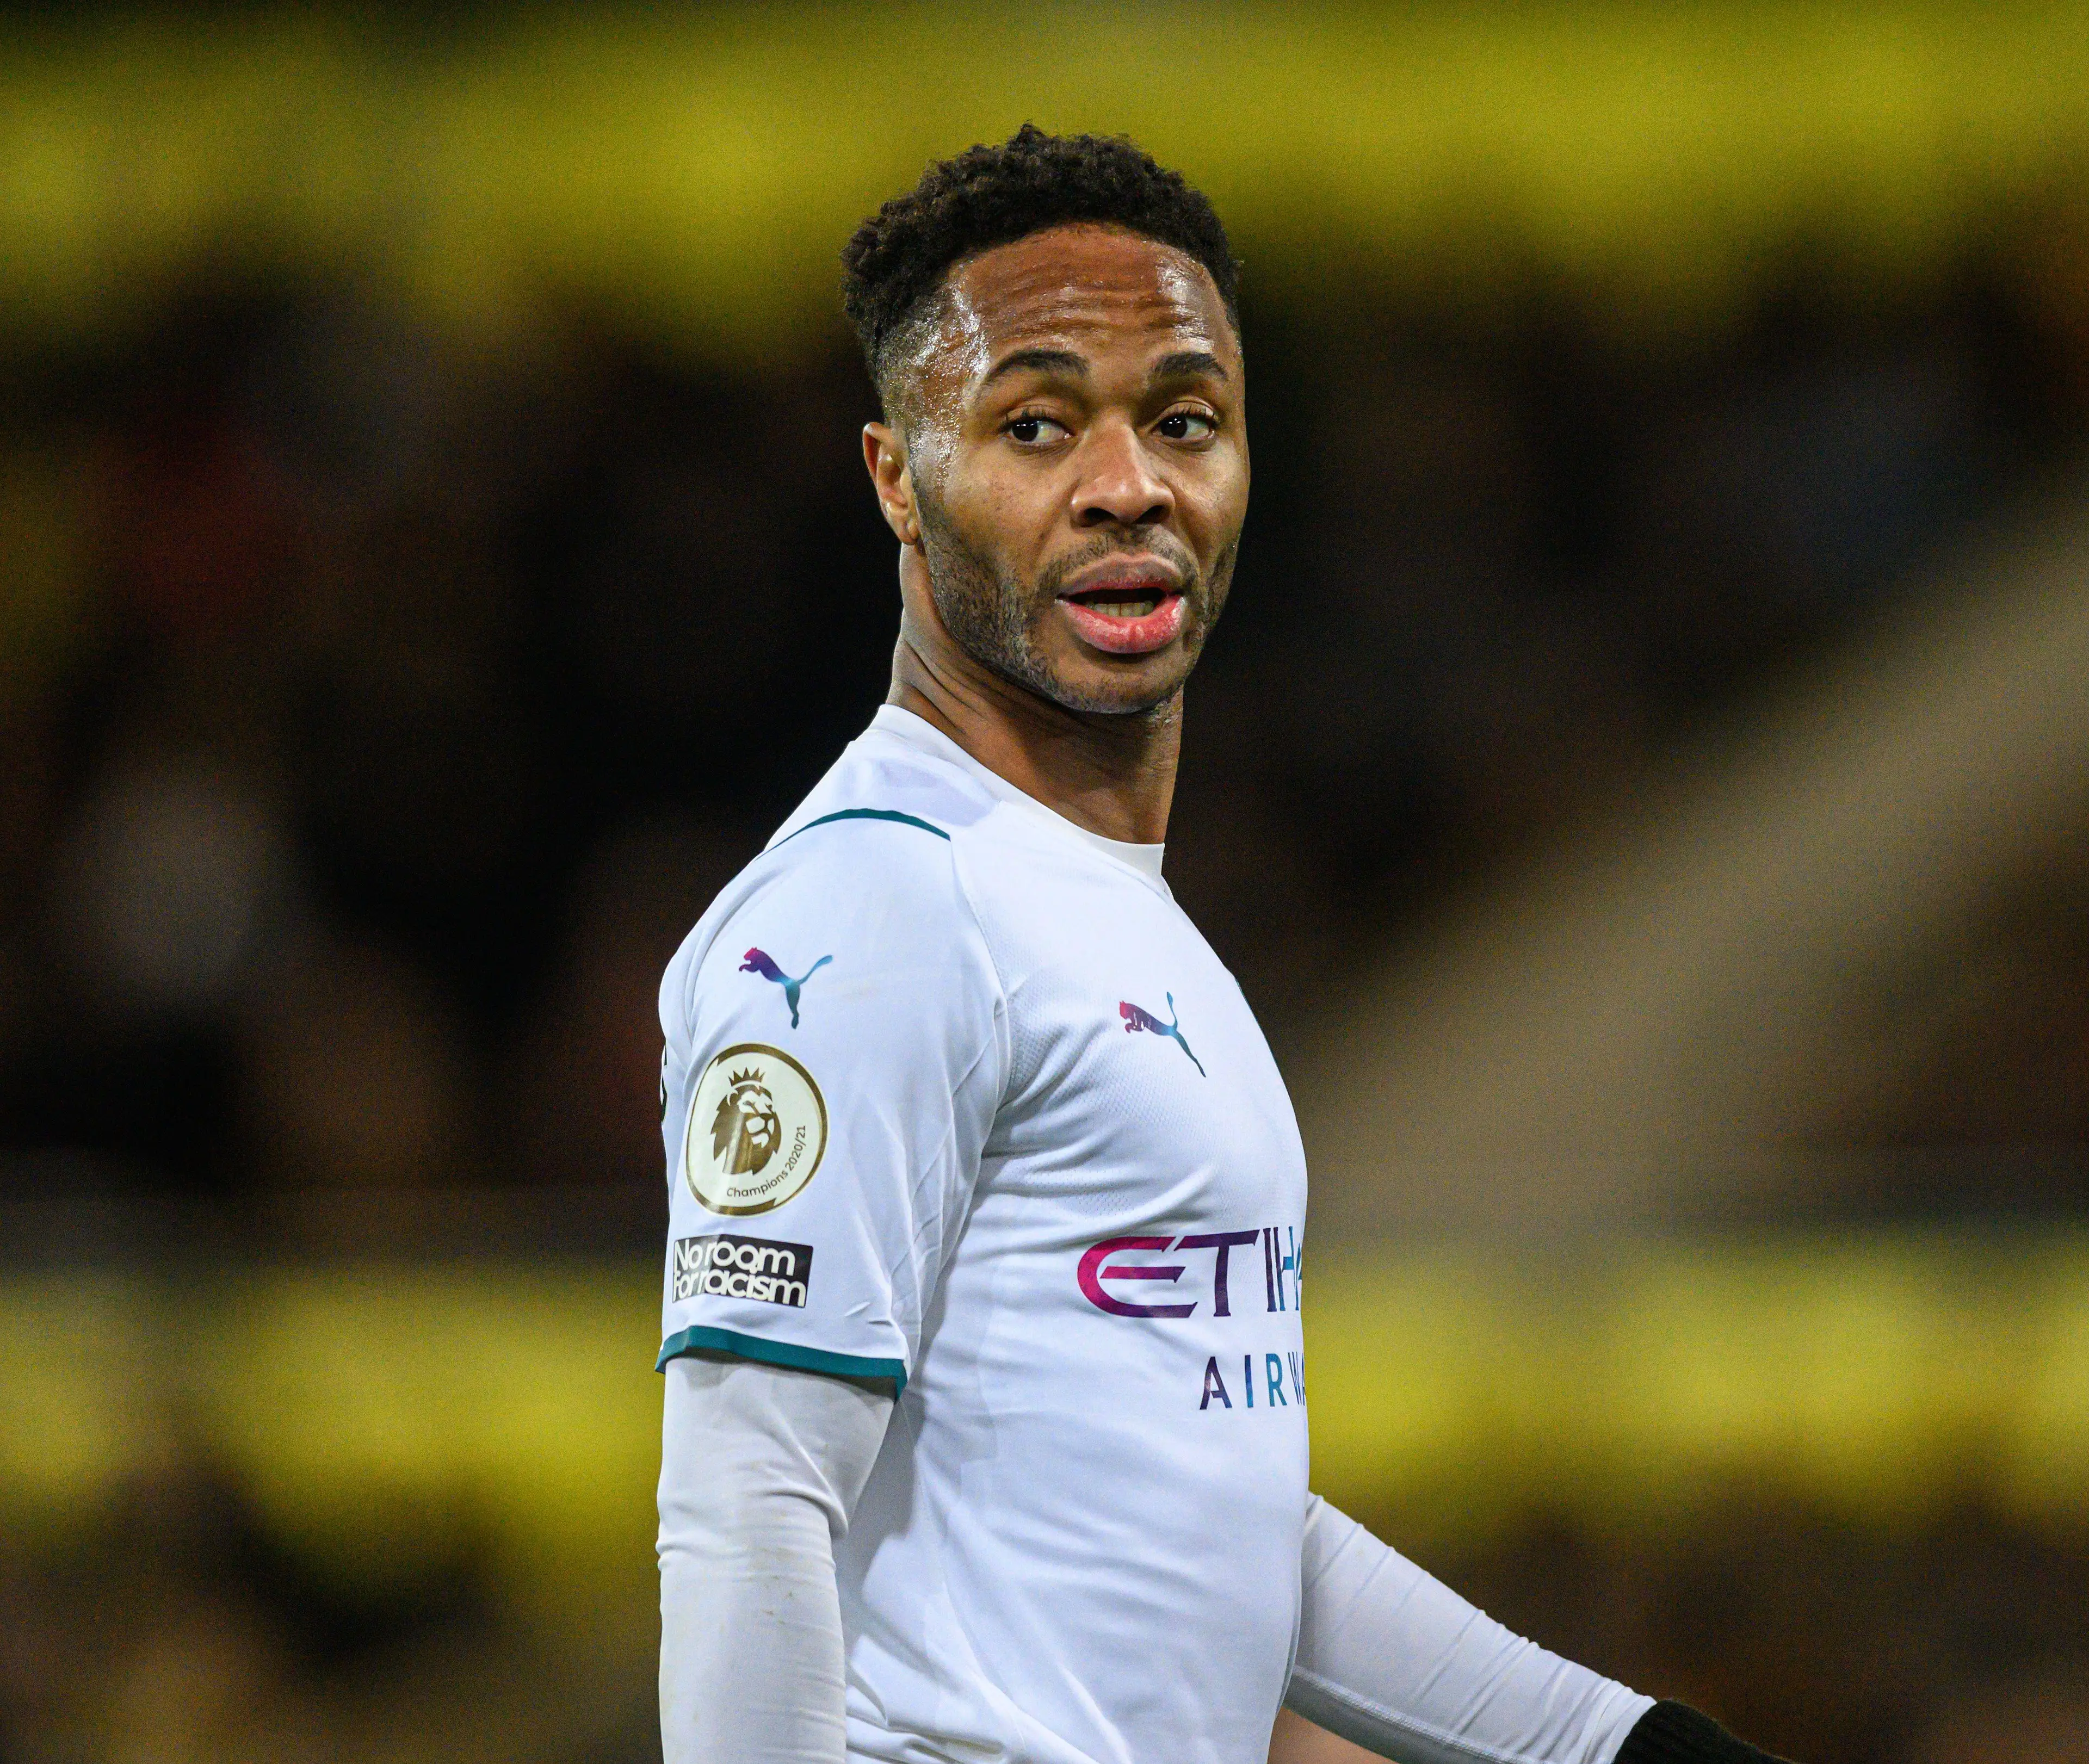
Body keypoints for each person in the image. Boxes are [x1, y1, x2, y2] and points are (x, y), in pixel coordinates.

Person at [654, 126, 1789, 1764]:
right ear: (898, 474)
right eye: (1035, 425)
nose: (1130, 487)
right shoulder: (879, 910)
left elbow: (1214, 1524)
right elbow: (748, 1502)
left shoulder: (1114, 915)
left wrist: (1610, 1746)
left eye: (1183, 419)